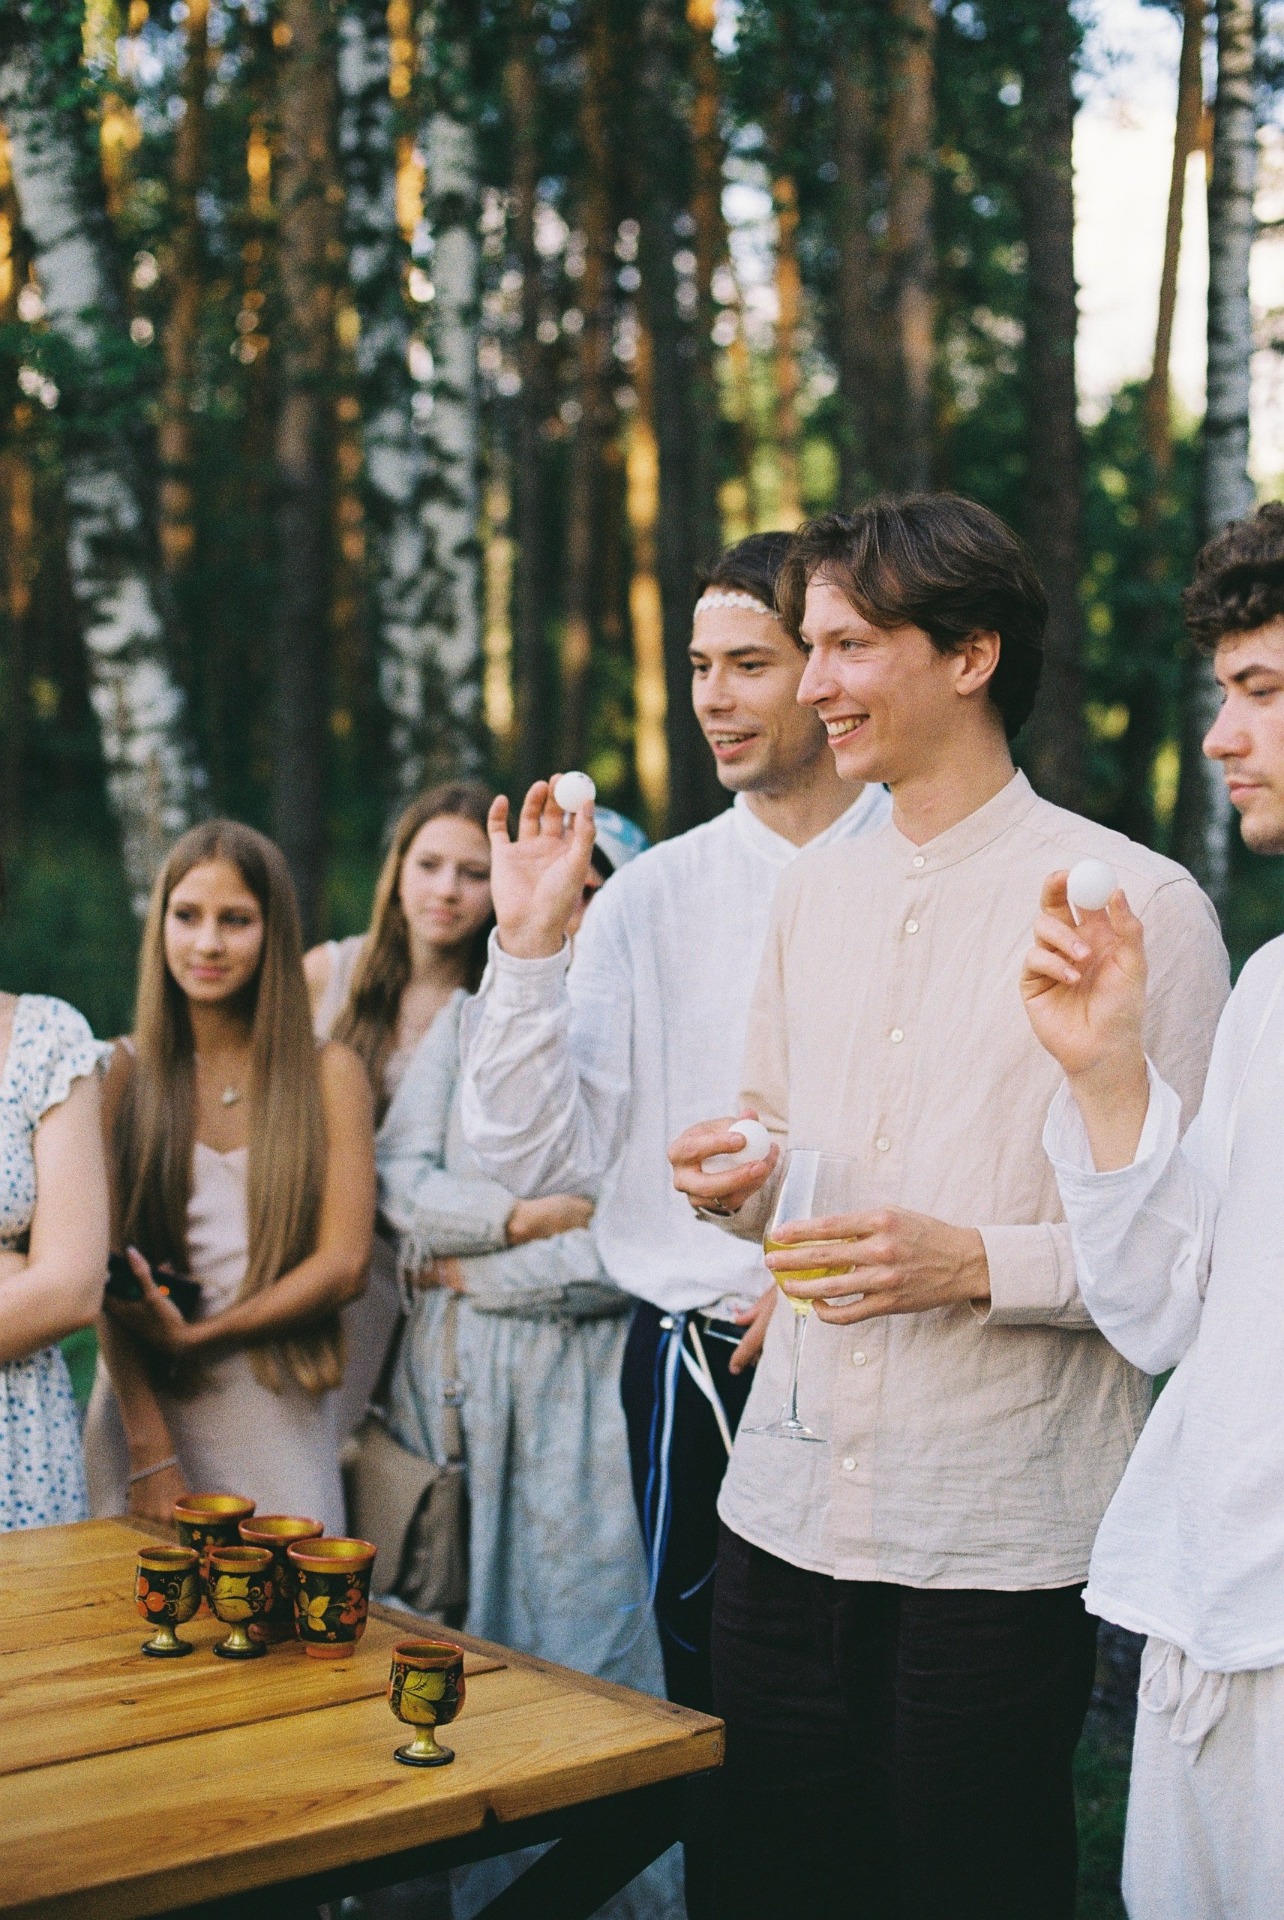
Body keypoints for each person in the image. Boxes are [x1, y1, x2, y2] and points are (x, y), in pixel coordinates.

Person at [667, 496, 1229, 1920]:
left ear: (971, 655)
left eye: (849, 646)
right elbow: (776, 1136)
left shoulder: (1142, 905)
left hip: (996, 1531)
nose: (812, 685)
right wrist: (744, 1179)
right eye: (809, 648)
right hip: (780, 1512)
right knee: (769, 1886)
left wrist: (976, 1262)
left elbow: (1192, 1266)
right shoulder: (811, 894)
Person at [459, 532, 891, 1742]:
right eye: (699, 666)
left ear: (826, 672)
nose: (712, 698)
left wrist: (811, 1268)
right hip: (699, 1369)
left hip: (898, 1347)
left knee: (886, 1697)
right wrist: (528, 946)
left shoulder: (924, 870)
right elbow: (531, 1155)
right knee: (717, 1707)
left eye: (748, 664)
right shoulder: (651, 895)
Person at [328, 782, 677, 1920]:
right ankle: (440, 1883)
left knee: (580, 1637)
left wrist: (477, 1265)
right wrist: (518, 1219)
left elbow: (632, 1248)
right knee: (443, 1631)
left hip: (579, 1394)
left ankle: (601, 1892)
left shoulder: (660, 1035)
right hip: (446, 1387)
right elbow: (399, 1181)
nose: (578, 905)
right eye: (564, 885)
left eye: (598, 888)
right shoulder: (477, 1017)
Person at [1021, 502, 1284, 1920]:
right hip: (1212, 1606)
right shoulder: (1274, 991)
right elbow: (1165, 1313)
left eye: (1263, 691)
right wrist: (1108, 1070)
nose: (1224, 737)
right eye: (1225, 694)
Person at [84, 821, 375, 1534]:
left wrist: (203, 1338)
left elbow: (345, 1265)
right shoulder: (118, 1072)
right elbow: (97, 1273)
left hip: (276, 1397)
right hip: (145, 1407)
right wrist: (150, 1451)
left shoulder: (329, 1072)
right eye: (187, 916)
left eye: (235, 920)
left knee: (288, 1595)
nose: (208, 943)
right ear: (159, 926)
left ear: (274, 932)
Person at [0, 968, 110, 1531]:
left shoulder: (45, 1036)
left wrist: (45, 1275)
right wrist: (19, 1267)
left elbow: (72, 1289)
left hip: (16, 1439)